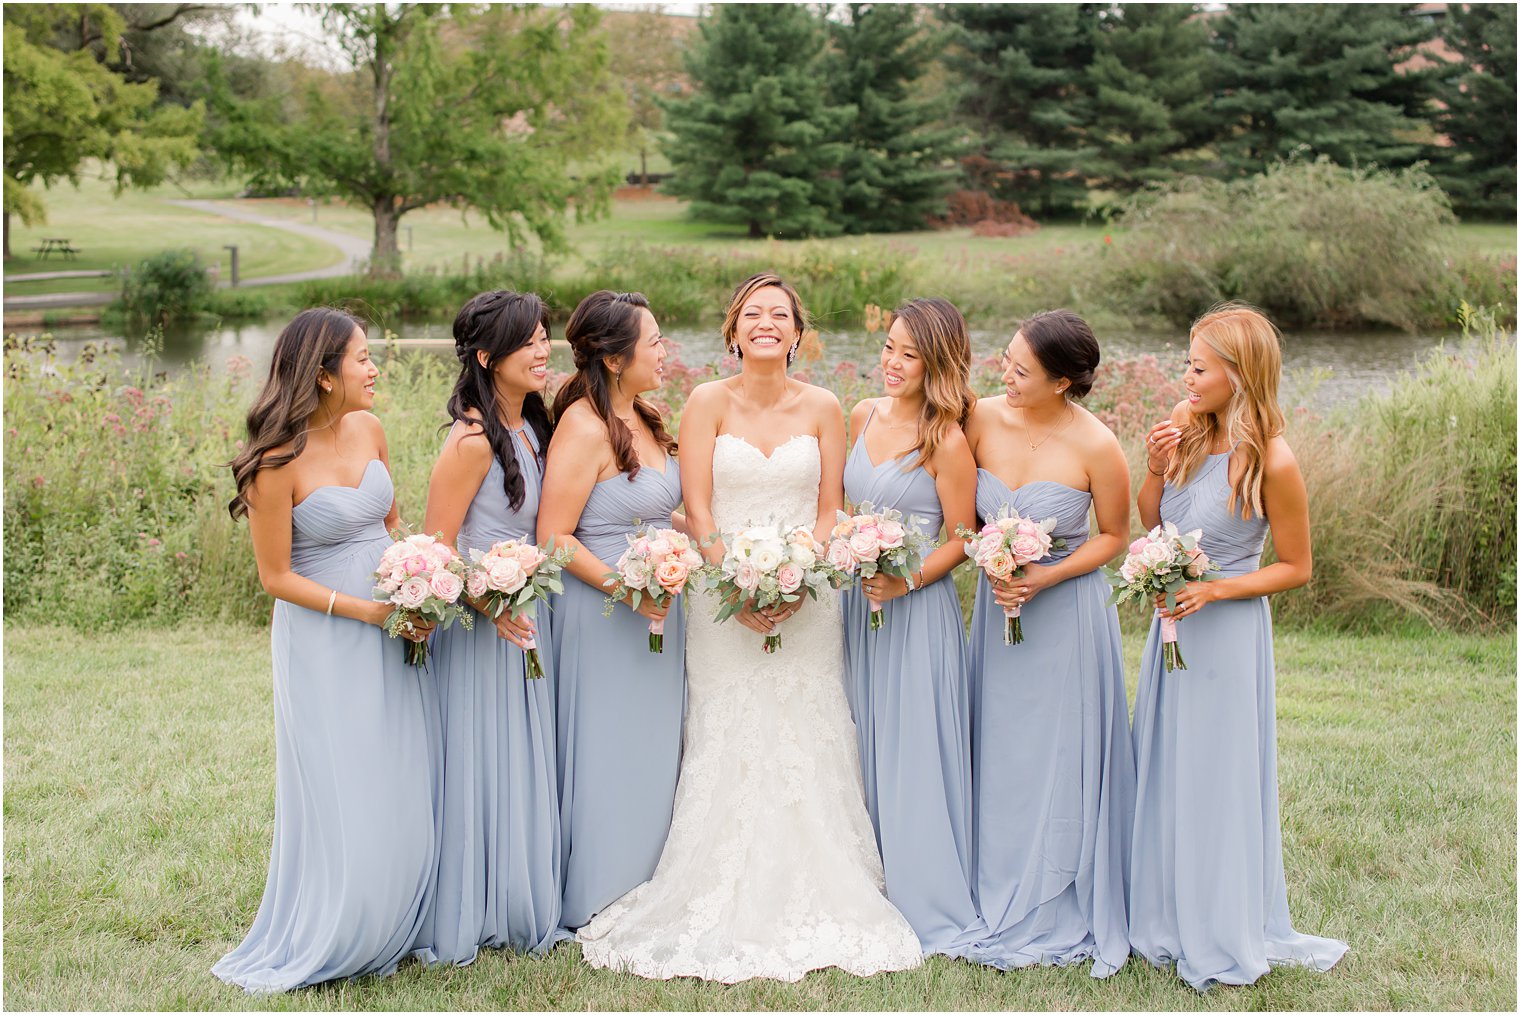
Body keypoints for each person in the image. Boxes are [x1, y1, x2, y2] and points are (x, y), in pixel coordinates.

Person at [575, 273, 923, 983]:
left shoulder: (826, 406)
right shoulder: (705, 401)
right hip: (718, 592)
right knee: (726, 730)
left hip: (811, 598)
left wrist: (805, 574)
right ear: (733, 331)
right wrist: (735, 578)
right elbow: (698, 508)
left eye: (780, 315)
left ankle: (825, 879)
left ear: (799, 333)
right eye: (752, 314)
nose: (766, 323)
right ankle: (706, 881)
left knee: (808, 724)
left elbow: (830, 506)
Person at [214, 308, 436, 993]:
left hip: (395, 618)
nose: (375, 369)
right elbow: (275, 577)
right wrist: (363, 610)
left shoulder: (370, 429)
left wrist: (421, 582)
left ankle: (397, 907)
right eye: (363, 358)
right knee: (344, 772)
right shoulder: (274, 461)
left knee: (400, 762)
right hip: (326, 633)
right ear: (322, 373)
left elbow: (393, 521)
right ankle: (340, 921)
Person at [1129, 302, 1348, 991]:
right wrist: (1156, 466)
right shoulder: (1188, 433)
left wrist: (1215, 592)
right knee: (1166, 766)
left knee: (1217, 777)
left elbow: (1296, 565)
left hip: (1225, 632)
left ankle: (1219, 922)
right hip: (1171, 627)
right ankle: (1163, 913)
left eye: (1198, 367)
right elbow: (1152, 521)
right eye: (1187, 364)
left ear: (1238, 373)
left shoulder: (1271, 459)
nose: (1186, 377)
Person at [962, 309, 1136, 977]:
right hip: (997, 606)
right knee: (1001, 746)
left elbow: (1114, 535)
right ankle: (992, 877)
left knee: (1058, 751)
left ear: (1063, 382)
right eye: (1005, 360)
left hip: (1065, 616)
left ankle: (1057, 887)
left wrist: (1046, 574)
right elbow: (959, 504)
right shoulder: (979, 417)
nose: (1005, 376)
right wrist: (988, 555)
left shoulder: (1097, 445)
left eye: (1021, 370)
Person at [838, 297, 989, 958]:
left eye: (909, 353)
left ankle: (917, 883)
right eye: (889, 347)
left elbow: (963, 537)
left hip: (916, 608)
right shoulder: (862, 413)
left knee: (909, 742)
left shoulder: (946, 439)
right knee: (853, 735)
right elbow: (846, 509)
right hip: (854, 601)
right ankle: (856, 873)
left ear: (937, 362)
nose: (893, 362)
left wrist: (906, 579)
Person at [416, 291, 561, 964]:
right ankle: (474, 903)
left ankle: (518, 893)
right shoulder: (473, 440)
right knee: (484, 760)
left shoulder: (534, 425)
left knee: (521, 756)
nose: (542, 350)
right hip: (483, 628)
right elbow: (437, 545)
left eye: (544, 337)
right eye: (527, 341)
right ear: (485, 356)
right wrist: (491, 601)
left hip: (530, 615)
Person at [537, 290, 686, 933]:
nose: (663, 350)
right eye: (653, 341)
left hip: (660, 607)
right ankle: (599, 887)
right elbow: (554, 536)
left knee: (654, 743)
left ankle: (647, 877)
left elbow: (658, 511)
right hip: (603, 613)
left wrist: (716, 546)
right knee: (606, 745)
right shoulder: (583, 426)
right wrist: (630, 590)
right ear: (617, 357)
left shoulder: (648, 418)